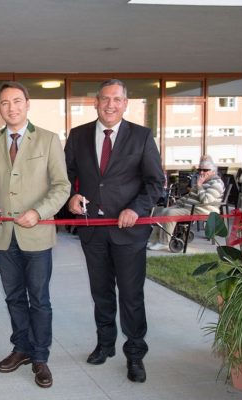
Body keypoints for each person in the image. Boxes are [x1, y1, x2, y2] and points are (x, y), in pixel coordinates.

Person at [64, 79, 164, 383]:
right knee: (101, 292)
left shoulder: (142, 136)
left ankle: (135, 354)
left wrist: (136, 208)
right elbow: (65, 176)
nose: (110, 104)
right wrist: (69, 198)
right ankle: (105, 344)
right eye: (105, 98)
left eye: (117, 99)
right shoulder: (78, 135)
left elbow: (155, 183)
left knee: (131, 295)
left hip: (129, 232)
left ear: (125, 103)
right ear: (96, 102)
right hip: (92, 230)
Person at [0, 82, 71, 388]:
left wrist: (40, 212)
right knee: (14, 297)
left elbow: (62, 186)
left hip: (37, 236)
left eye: (17, 101)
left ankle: (41, 357)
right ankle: (21, 348)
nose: (11, 107)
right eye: (5, 103)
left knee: (39, 299)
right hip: (4, 236)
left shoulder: (47, 140)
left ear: (27, 104)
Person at [148, 155, 224, 251]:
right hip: (189, 208)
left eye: (205, 170)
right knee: (163, 211)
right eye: (200, 170)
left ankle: (163, 242)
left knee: (170, 214)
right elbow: (189, 196)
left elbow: (205, 200)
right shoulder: (204, 181)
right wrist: (177, 204)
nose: (201, 172)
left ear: (213, 171)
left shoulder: (216, 183)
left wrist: (199, 186)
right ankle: (153, 239)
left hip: (202, 210)